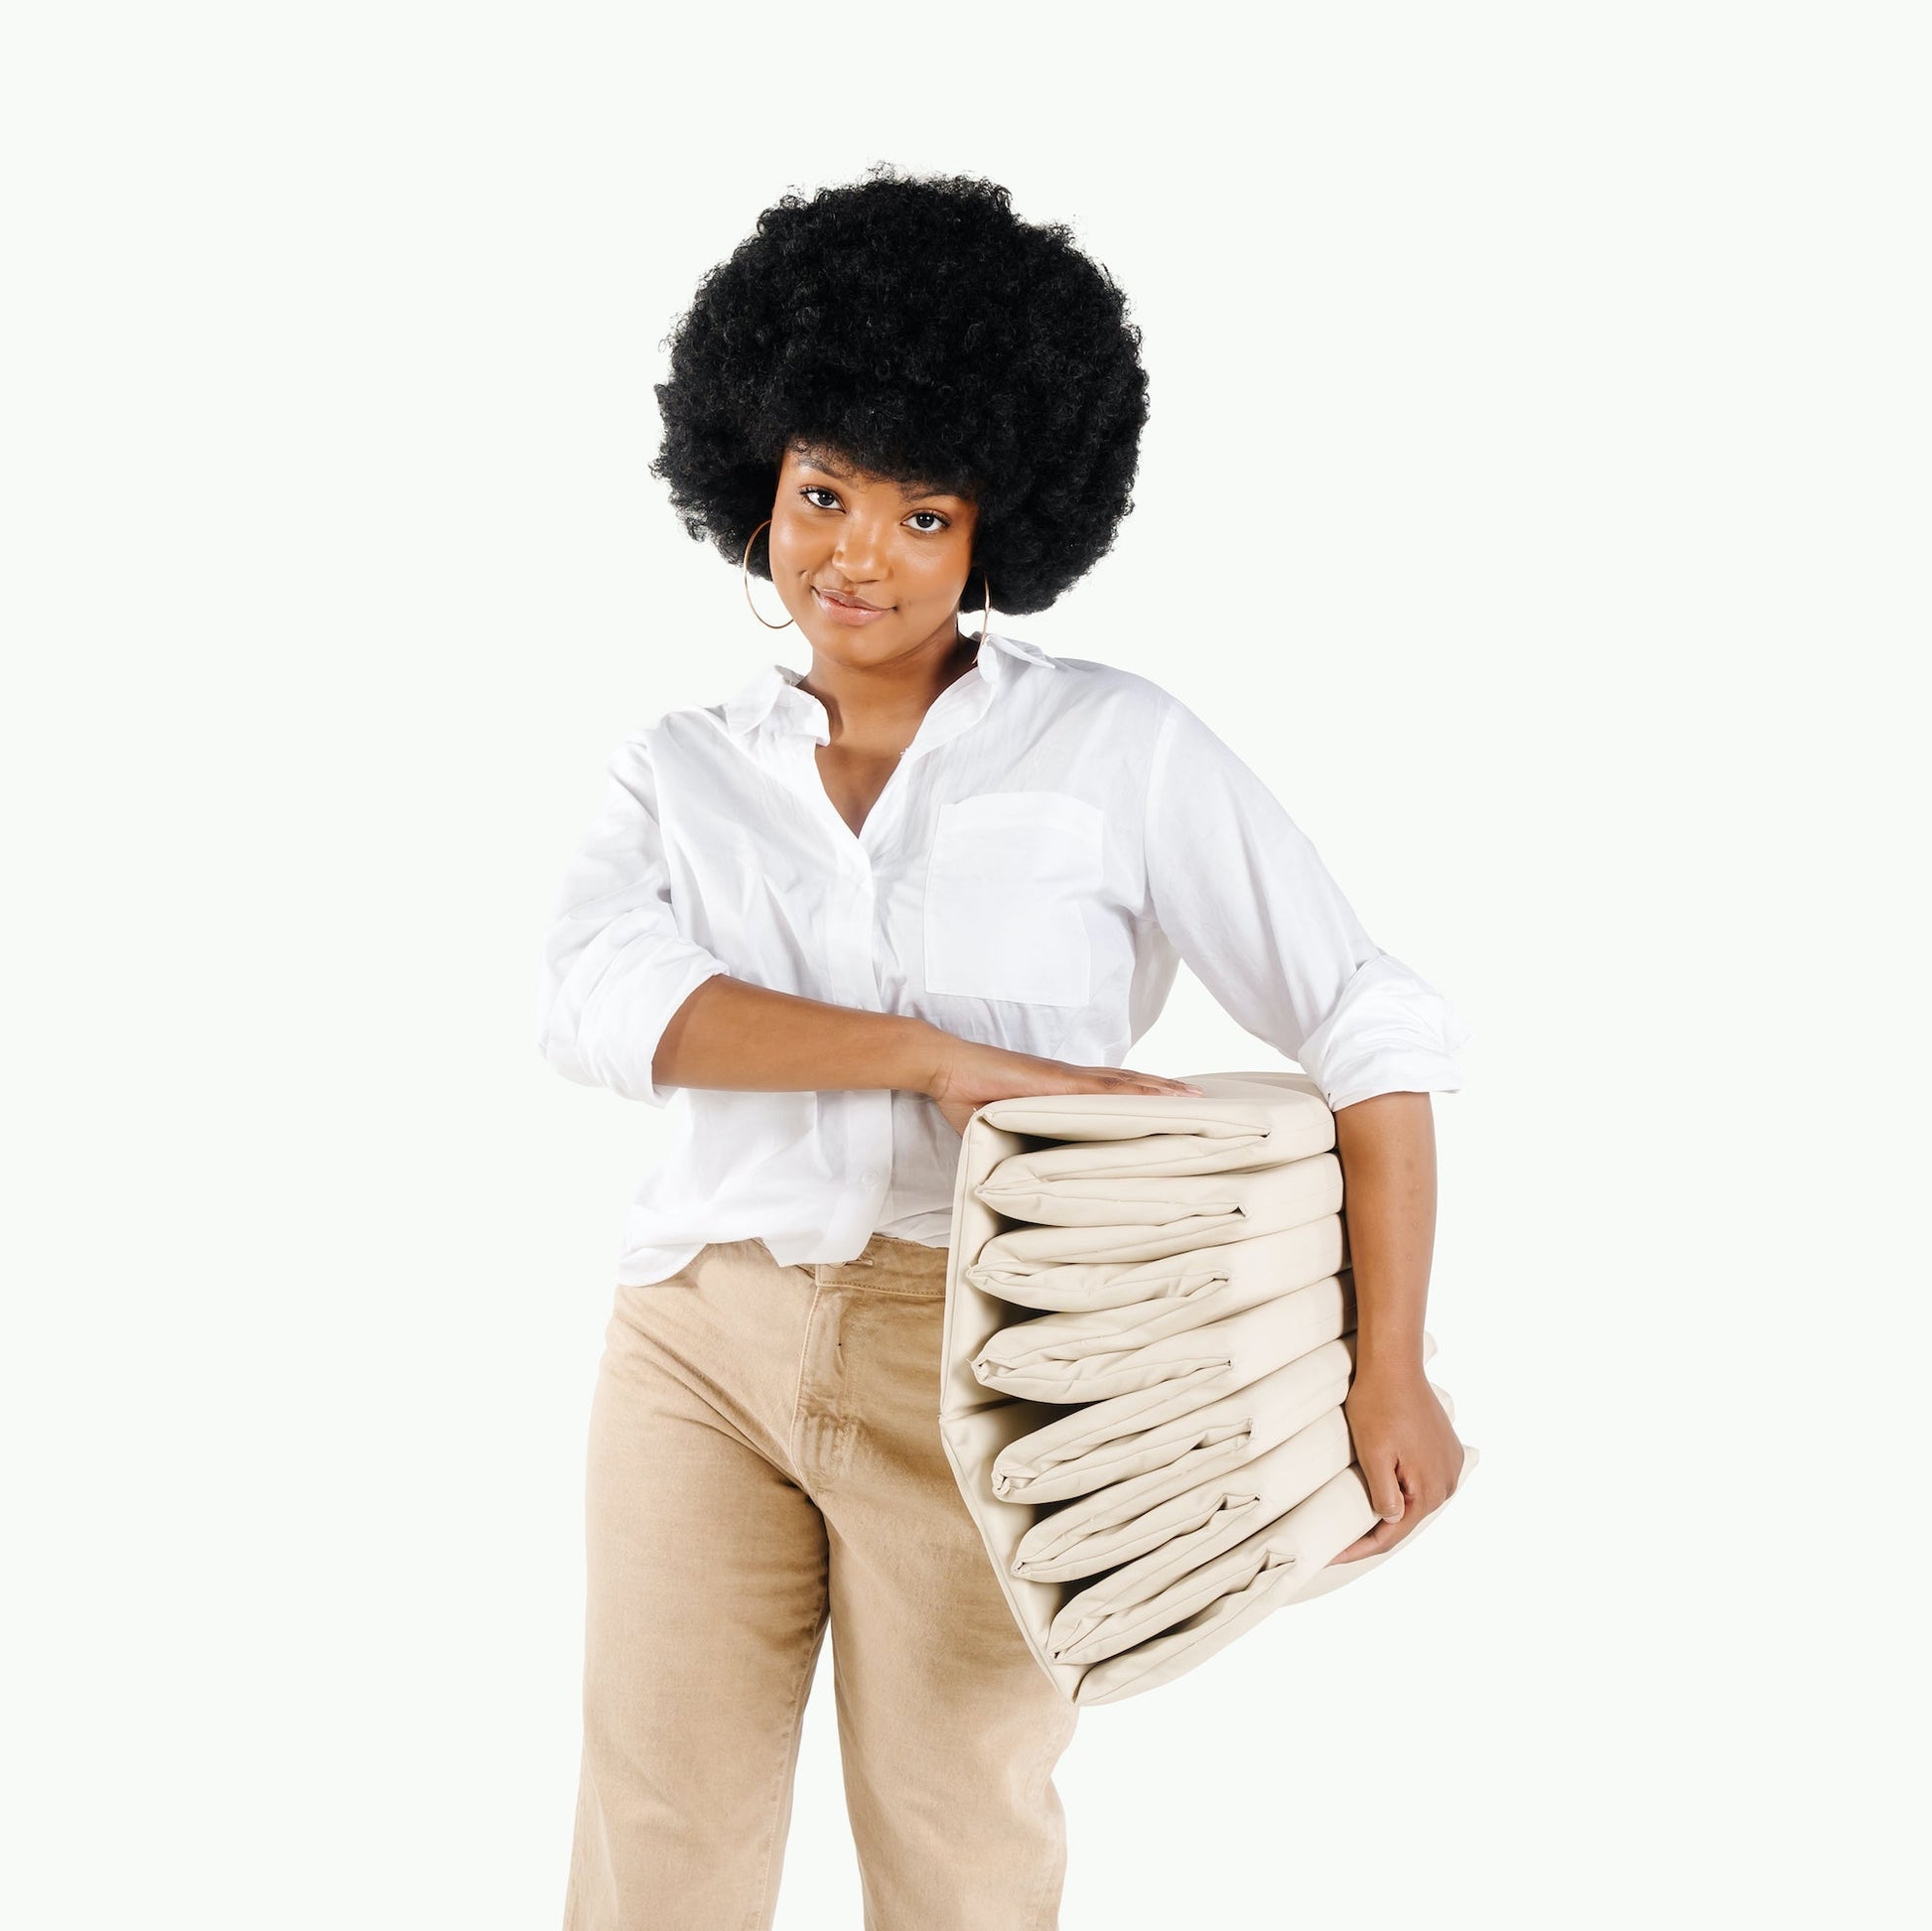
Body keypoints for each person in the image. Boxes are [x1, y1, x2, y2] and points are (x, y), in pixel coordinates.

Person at [535, 164, 1474, 1931]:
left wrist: (1389, 1364)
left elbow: (1369, 1019)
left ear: (996, 530)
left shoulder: (1119, 750)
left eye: (920, 513)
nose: (854, 556)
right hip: (693, 1342)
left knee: (963, 1844)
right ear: (754, 485)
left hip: (990, 1351)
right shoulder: (676, 766)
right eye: (821, 494)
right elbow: (598, 1004)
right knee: (654, 1849)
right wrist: (926, 1054)